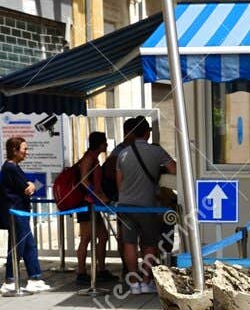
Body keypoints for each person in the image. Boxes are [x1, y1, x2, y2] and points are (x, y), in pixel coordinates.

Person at [113, 116, 175, 295]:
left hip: (125, 206)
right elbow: (176, 170)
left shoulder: (122, 153)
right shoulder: (156, 152)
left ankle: (133, 283)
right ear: (147, 132)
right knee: (149, 244)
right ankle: (146, 281)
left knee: (129, 244)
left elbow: (119, 182)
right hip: (147, 206)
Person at [0, 136, 51, 295]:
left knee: (29, 245)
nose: (26, 152)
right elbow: (28, 189)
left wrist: (32, 184)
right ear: (14, 150)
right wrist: (33, 184)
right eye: (24, 149)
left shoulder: (14, 167)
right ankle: (10, 279)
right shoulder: (10, 168)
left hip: (21, 212)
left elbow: (28, 186)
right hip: (16, 212)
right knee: (18, 246)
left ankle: (35, 277)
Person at [75, 131, 112, 287]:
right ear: (100, 143)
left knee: (103, 236)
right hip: (86, 204)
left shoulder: (93, 158)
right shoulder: (88, 159)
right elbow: (83, 180)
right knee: (86, 238)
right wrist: (97, 195)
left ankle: (101, 269)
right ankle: (81, 272)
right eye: (105, 142)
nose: (107, 144)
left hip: (93, 204)